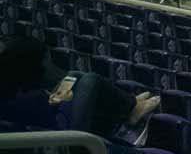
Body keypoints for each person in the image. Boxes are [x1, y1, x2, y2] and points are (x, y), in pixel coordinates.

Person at [0, 35, 161, 139]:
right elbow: (53, 120)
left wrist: (55, 101)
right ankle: (132, 109)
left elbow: (38, 113)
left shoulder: (13, 86)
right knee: (90, 80)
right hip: (66, 136)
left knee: (74, 75)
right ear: (37, 63)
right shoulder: (29, 96)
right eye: (46, 59)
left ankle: (129, 103)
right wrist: (63, 103)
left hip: (54, 126)